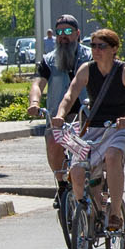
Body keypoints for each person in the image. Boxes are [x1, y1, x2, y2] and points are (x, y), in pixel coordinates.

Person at [51, 28, 125, 231]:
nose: (96, 50)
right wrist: (60, 115)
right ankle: (92, 210)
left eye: (102, 46)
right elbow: (70, 95)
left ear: (114, 48)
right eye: (93, 45)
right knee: (77, 170)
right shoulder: (86, 69)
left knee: (112, 155)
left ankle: (116, 214)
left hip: (121, 129)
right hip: (94, 129)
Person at [28, 14, 92, 206]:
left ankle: (98, 184)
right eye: (59, 32)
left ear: (78, 34)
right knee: (52, 140)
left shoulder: (90, 56)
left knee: (89, 149)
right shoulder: (48, 60)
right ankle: (62, 185)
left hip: (86, 114)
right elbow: (37, 84)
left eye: (68, 32)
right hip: (58, 117)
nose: (63, 36)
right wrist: (34, 103)